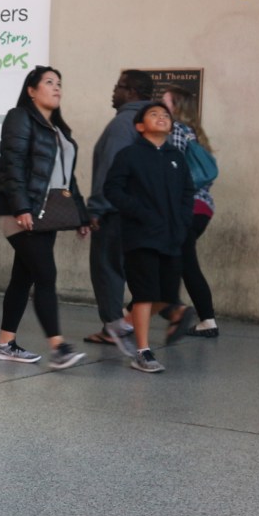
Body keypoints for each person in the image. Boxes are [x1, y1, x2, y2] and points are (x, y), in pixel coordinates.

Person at [0, 65, 90, 369]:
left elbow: (66, 179)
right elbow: (13, 164)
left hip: (46, 213)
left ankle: (4, 344)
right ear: (32, 90)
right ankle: (58, 346)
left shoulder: (60, 130)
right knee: (46, 274)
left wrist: (81, 215)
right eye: (49, 82)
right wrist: (21, 207)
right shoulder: (19, 117)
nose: (56, 87)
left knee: (24, 277)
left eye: (59, 83)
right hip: (22, 212)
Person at [103, 102, 195, 373]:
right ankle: (142, 352)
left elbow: (187, 193)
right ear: (140, 126)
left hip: (171, 236)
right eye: (154, 114)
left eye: (165, 115)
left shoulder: (176, 156)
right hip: (140, 234)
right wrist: (140, 213)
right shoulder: (129, 155)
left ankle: (122, 325)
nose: (161, 117)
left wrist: (182, 222)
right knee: (144, 293)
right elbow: (113, 189)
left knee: (166, 294)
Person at [84, 68, 156, 355]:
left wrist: (96, 209)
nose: (113, 91)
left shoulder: (122, 124)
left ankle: (113, 324)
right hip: (144, 213)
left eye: (119, 86)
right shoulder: (156, 122)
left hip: (115, 212)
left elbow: (109, 171)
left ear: (132, 92)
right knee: (135, 268)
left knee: (107, 268)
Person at [162, 85, 219, 339]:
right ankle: (201, 318)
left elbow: (172, 169)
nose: (160, 110)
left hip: (186, 207)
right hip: (203, 207)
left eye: (165, 104)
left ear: (176, 107)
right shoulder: (197, 134)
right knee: (183, 262)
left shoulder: (176, 130)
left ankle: (180, 311)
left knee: (183, 263)